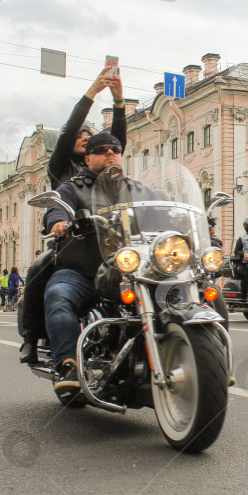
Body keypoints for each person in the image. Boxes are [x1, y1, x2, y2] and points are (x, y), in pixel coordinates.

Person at [18, 66, 125, 363]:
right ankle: (31, 336)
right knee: (40, 272)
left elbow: (116, 140)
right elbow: (67, 134)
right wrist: (93, 91)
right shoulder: (62, 169)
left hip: (114, 248)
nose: (84, 137)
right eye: (82, 136)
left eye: (89, 135)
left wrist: (118, 101)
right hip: (71, 241)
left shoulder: (115, 175)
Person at [43, 133, 159, 397]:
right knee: (58, 296)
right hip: (84, 270)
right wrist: (59, 222)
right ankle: (68, 365)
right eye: (102, 150)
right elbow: (57, 209)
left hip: (134, 271)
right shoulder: (72, 188)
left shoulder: (137, 189)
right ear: (87, 158)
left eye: (115, 149)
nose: (110, 153)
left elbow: (163, 211)